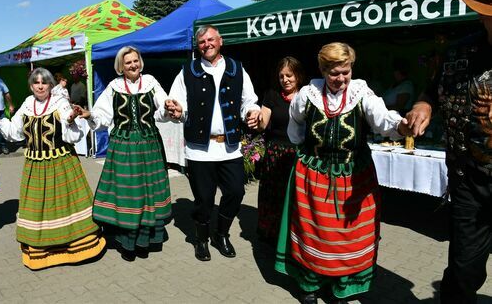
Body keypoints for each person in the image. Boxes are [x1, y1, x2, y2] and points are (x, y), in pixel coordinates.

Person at [276, 42, 410, 304]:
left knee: (347, 237)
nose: (340, 79)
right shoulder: (308, 93)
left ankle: (341, 288)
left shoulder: (362, 93)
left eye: (345, 72)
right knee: (312, 231)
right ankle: (310, 285)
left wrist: (401, 126)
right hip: (314, 174)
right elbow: (295, 122)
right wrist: (303, 147)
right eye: (334, 73)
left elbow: (382, 119)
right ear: (323, 70)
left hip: (353, 176)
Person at [405, 0, 492, 304]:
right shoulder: (459, 52)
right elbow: (430, 92)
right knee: (465, 266)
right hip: (468, 177)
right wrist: (423, 107)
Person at [0, 67, 105, 270]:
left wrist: (70, 120)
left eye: (44, 82)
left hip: (61, 162)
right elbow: (15, 133)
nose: (40, 86)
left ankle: (77, 248)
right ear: (31, 86)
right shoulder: (26, 104)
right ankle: (42, 251)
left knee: (65, 204)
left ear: (51, 85)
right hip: (35, 165)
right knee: (39, 208)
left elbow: (72, 133)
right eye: (36, 82)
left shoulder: (59, 103)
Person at [164, 25, 260, 261]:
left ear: (220, 41)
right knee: (204, 200)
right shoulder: (188, 70)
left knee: (236, 191)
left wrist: (252, 111)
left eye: (210, 40)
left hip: (230, 148)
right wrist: (175, 110)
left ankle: (222, 234)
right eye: (202, 42)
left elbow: (249, 100)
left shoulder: (237, 68)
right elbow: (177, 103)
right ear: (198, 47)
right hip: (199, 150)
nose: (206, 45)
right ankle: (202, 239)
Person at [75, 46, 171, 262]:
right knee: (128, 193)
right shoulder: (114, 86)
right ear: (121, 66)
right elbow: (102, 117)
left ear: (140, 62)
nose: (133, 65)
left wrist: (169, 106)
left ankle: (146, 240)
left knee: (149, 191)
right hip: (123, 146)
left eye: (135, 61)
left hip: (148, 144)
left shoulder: (151, 82)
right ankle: (127, 241)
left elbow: (162, 108)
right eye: (128, 62)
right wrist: (90, 115)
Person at [256, 56, 305, 245]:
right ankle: (271, 234)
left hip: (299, 154)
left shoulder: (307, 96)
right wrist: (256, 118)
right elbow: (262, 125)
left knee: (295, 196)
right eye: (281, 76)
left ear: (298, 76)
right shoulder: (272, 95)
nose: (285, 80)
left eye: (289, 75)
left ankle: (295, 236)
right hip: (275, 153)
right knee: (273, 196)